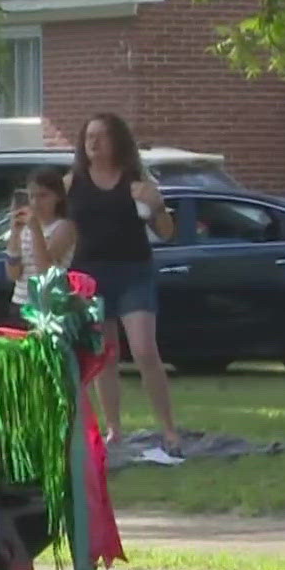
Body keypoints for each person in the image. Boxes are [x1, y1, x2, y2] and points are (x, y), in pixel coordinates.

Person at [67, 112, 182, 463]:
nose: (93, 143)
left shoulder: (136, 181)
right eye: (88, 137)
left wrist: (158, 206)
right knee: (105, 355)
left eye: (101, 136)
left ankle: (169, 429)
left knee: (145, 349)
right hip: (89, 275)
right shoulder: (72, 182)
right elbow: (56, 228)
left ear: (117, 141)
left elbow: (166, 232)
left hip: (133, 271)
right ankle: (114, 428)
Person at [6, 166, 75, 309]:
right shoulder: (25, 228)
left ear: (58, 197)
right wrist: (15, 233)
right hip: (21, 302)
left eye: (43, 196)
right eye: (32, 196)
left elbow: (46, 271)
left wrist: (36, 230)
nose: (36, 203)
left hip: (48, 306)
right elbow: (13, 274)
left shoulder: (64, 227)